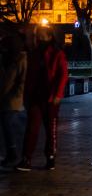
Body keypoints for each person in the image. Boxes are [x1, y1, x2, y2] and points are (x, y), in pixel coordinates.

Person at [16, 26, 68, 172]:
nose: (38, 37)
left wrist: (58, 94)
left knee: (50, 128)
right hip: (36, 96)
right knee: (32, 128)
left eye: (41, 35)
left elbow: (63, 74)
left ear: (49, 36)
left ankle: (50, 157)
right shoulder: (34, 52)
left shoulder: (57, 53)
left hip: (50, 97)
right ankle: (26, 159)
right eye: (37, 35)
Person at [0, 34, 27, 167]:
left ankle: (13, 153)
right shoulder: (13, 58)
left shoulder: (19, 59)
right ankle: (13, 152)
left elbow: (11, 79)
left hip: (12, 98)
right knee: (8, 126)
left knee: (8, 126)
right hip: (10, 97)